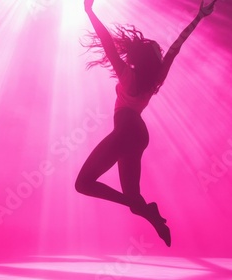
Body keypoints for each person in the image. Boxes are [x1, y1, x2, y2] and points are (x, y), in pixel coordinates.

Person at [75, 0, 218, 247]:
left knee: (83, 184)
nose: (162, 53)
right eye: (158, 52)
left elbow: (108, 43)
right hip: (139, 134)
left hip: (125, 130)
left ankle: (144, 209)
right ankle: (154, 218)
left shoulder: (128, 75)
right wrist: (198, 18)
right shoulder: (156, 77)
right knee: (133, 198)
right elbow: (176, 47)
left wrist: (90, 11)